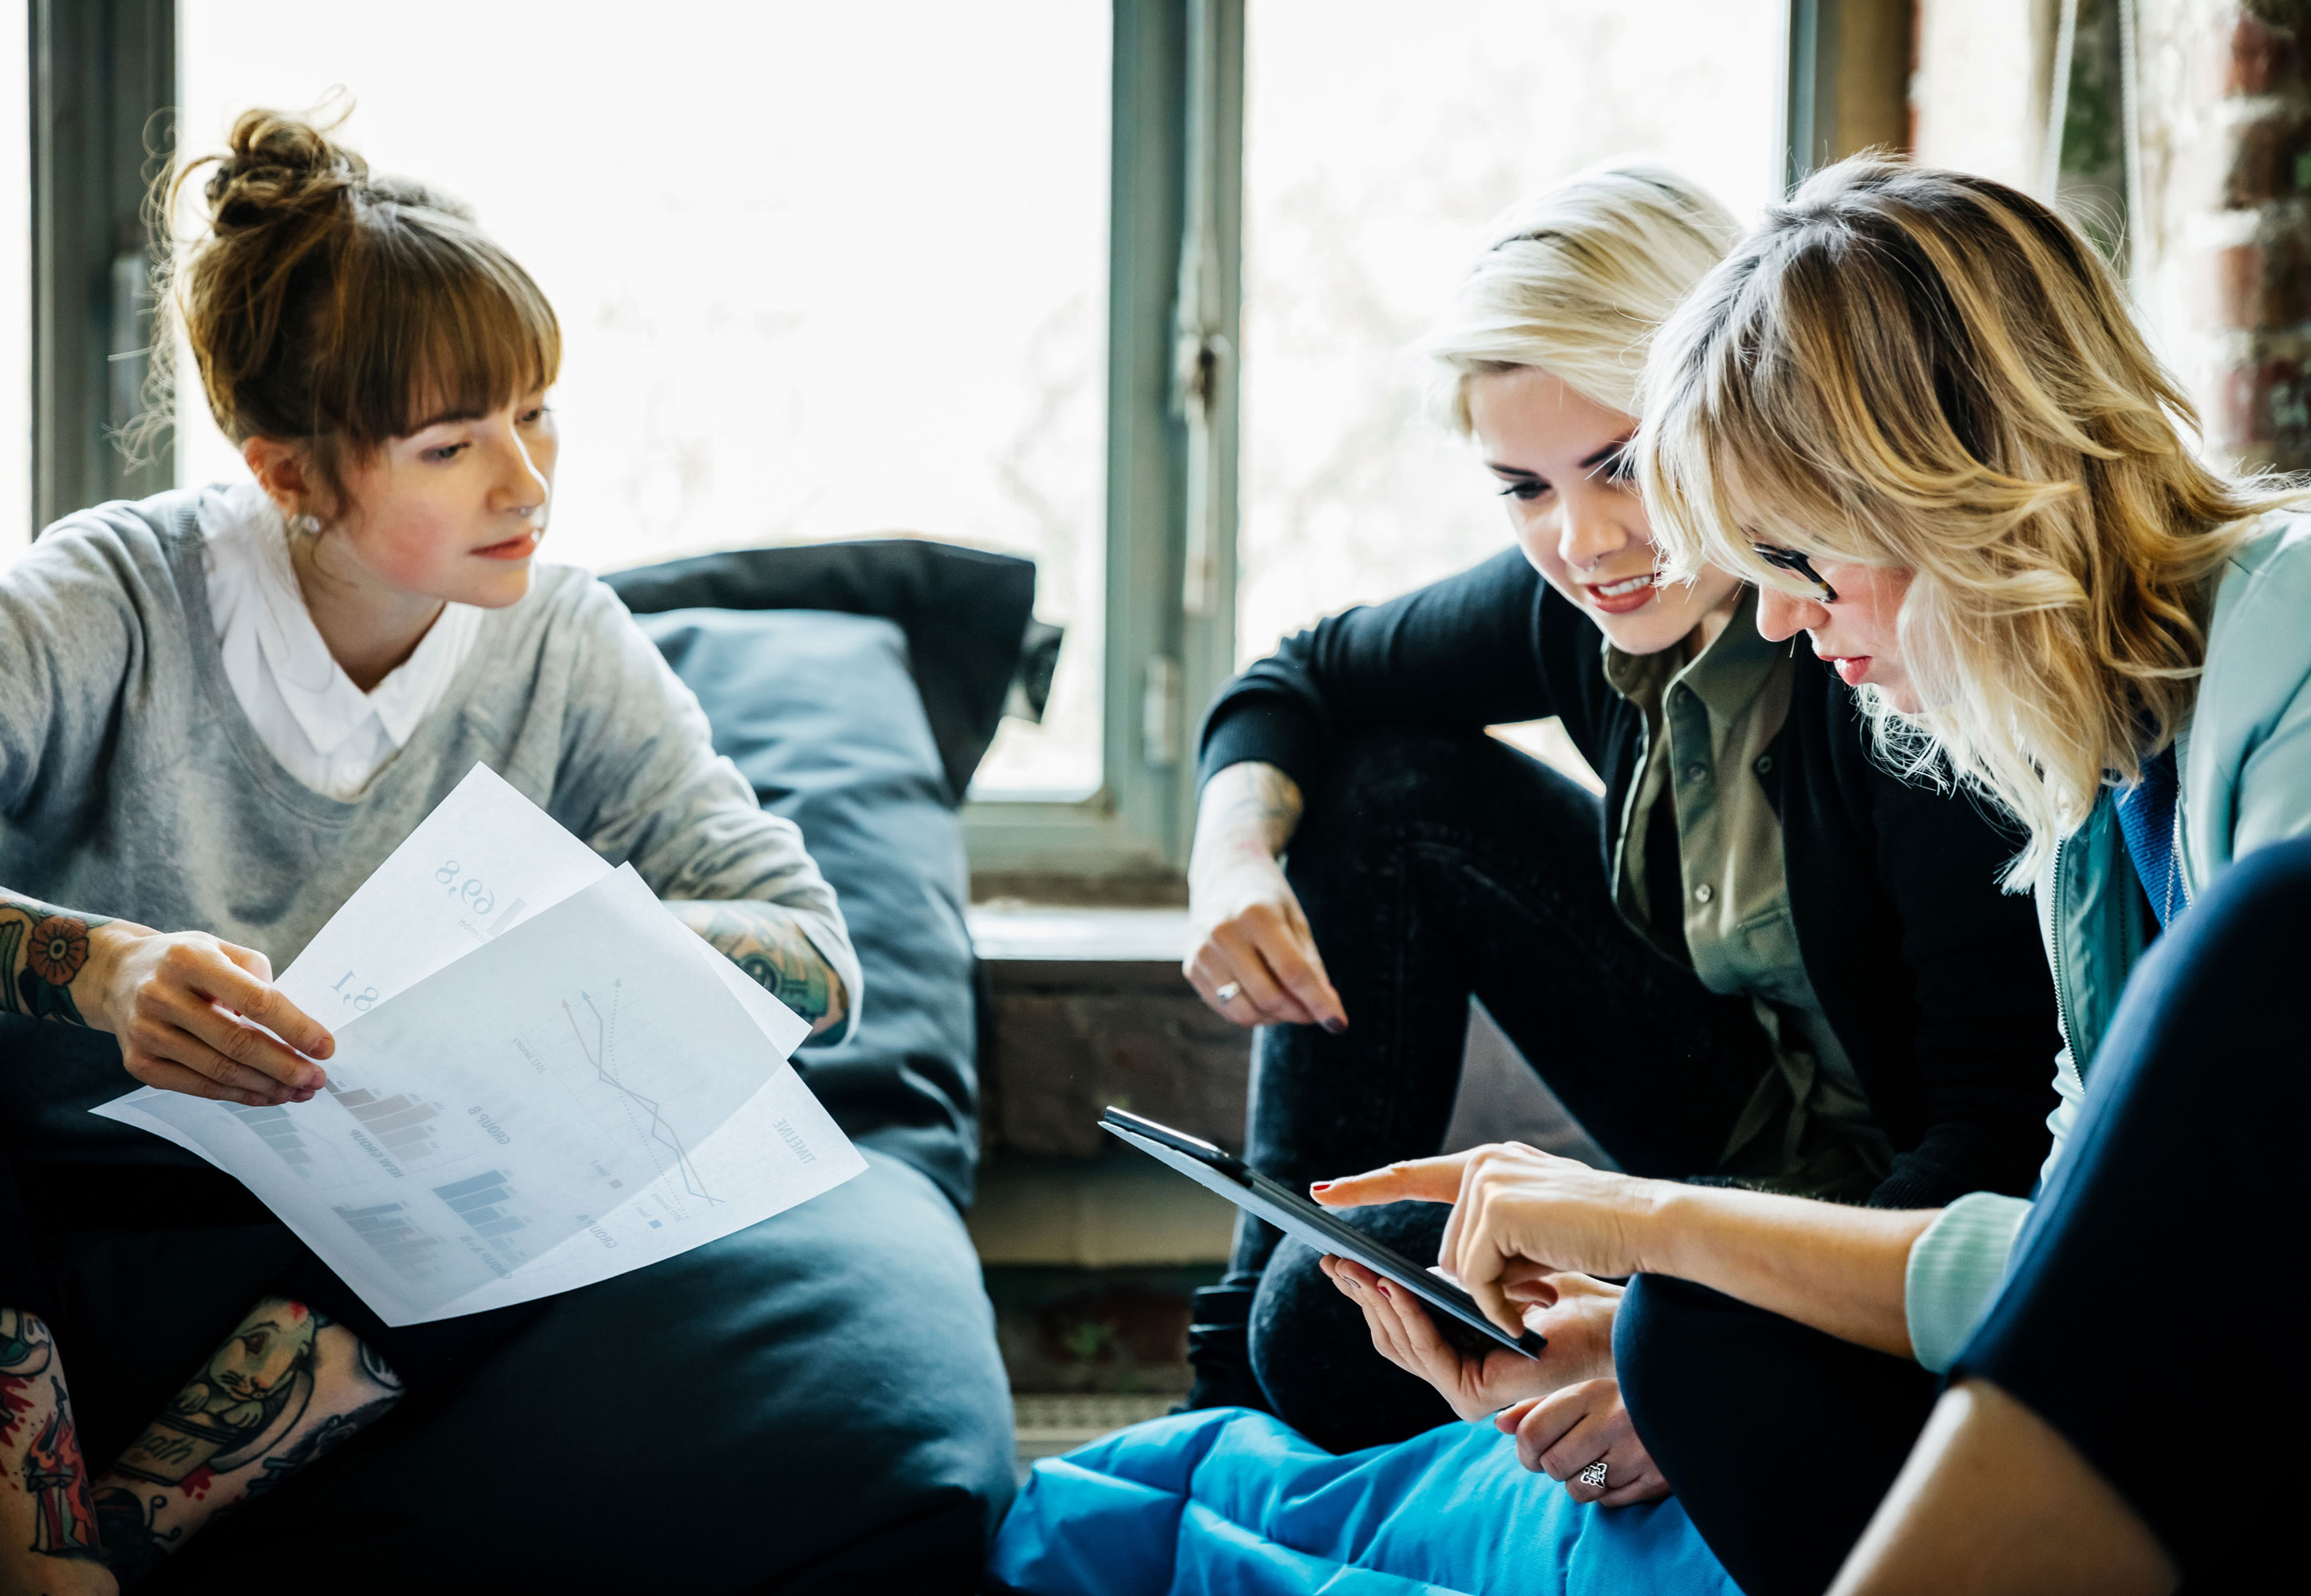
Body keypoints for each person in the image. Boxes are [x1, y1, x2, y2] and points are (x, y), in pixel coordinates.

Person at [1317, 156, 2311, 1595]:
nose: (1775, 614)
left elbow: (2212, 1282)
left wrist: (1649, 1219)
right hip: (2240, 1409)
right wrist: (1653, 1285)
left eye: (1801, 557)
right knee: (1692, 1335)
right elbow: (2070, 1261)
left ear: (1954, 487)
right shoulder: (2087, 794)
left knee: (2273, 930)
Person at [0, 110, 1009, 1594]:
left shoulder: (562, 640)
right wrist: (99, 969)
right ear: (289, 473)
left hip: (359, 1235)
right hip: (60, 1201)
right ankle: (42, 1535)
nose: (527, 484)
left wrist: (551, 974)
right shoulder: (109, 598)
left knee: (555, 1148)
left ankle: (122, 1539)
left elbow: (809, 953)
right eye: (453, 444)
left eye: (538, 414)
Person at [1177, 164, 2061, 1482]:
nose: (1584, 542)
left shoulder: (1887, 655)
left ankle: (1264, 1365)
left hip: (1887, 1204)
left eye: (1626, 465)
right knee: (1386, 792)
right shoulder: (1575, 611)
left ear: (1732, 409)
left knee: (1325, 1336)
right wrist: (1232, 854)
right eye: (1522, 489)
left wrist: (1701, 1346)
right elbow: (1304, 677)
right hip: (1725, 1112)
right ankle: (1226, 1385)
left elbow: (1993, 1156)